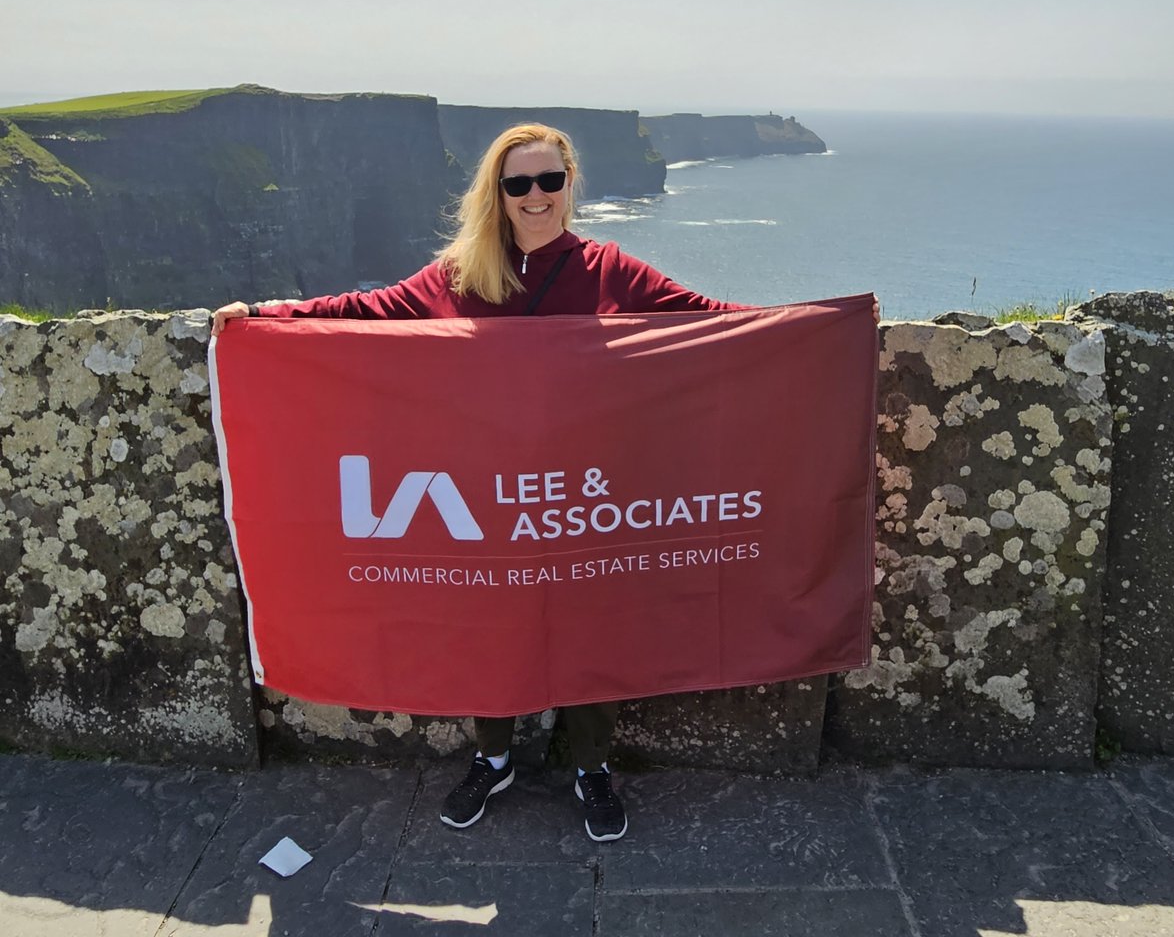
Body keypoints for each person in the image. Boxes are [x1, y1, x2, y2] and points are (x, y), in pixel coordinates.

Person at [213, 122, 878, 842]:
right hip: (488, 500)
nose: (536, 195)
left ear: (569, 185)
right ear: (497, 194)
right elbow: (366, 312)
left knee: (593, 635)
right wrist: (266, 317)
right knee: (490, 633)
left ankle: (592, 768)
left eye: (550, 180)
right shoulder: (460, 275)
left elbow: (713, 327)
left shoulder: (610, 271)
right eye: (519, 183)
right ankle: (493, 758)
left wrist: (819, 332)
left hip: (582, 501)